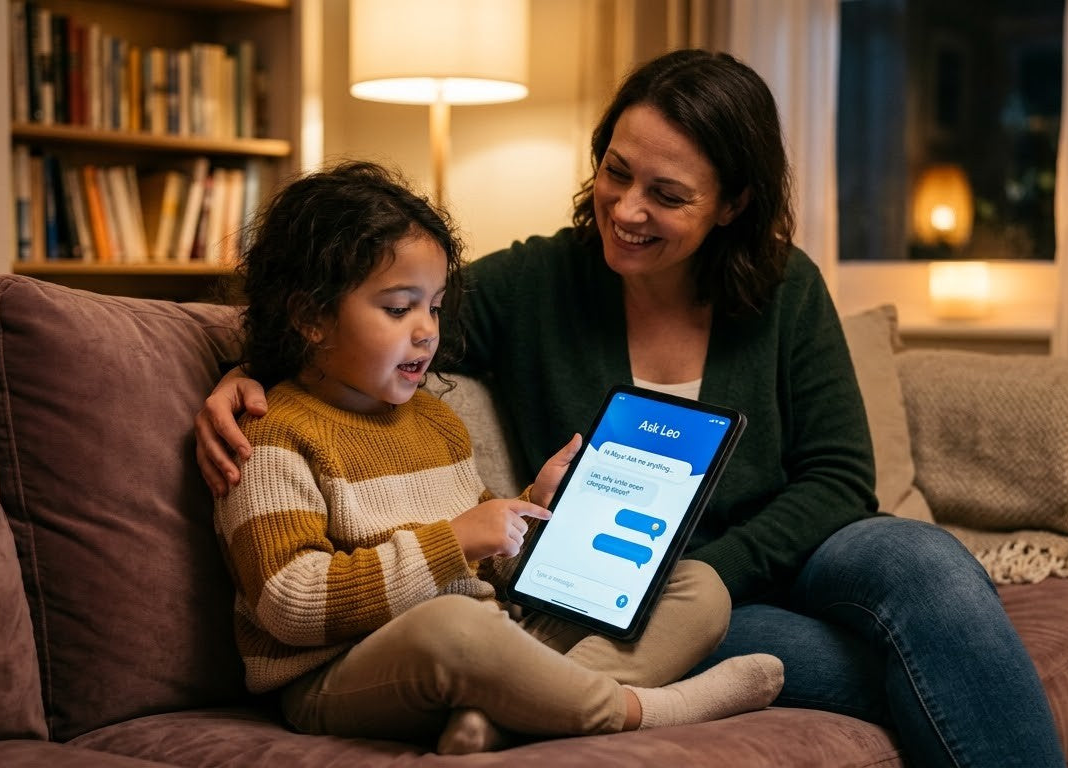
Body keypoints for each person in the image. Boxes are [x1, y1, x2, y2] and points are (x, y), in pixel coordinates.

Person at [199, 52, 1066, 767]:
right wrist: (248, 371)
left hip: (762, 557)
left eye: (668, 194)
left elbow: (840, 477)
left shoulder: (782, 287)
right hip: (627, 588)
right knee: (879, 667)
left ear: (733, 204)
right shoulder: (535, 282)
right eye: (616, 171)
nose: (626, 208)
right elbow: (356, 316)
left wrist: (719, 569)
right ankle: (554, 703)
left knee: (926, 563)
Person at [216, 159, 784, 755]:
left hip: (490, 640)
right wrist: (453, 544)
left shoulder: (435, 421)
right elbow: (289, 604)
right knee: (454, 627)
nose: (426, 331)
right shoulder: (273, 436)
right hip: (341, 672)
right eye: (397, 308)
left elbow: (497, 569)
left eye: (434, 307)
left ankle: (509, 715)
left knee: (694, 585)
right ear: (310, 317)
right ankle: (640, 709)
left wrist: (534, 514)